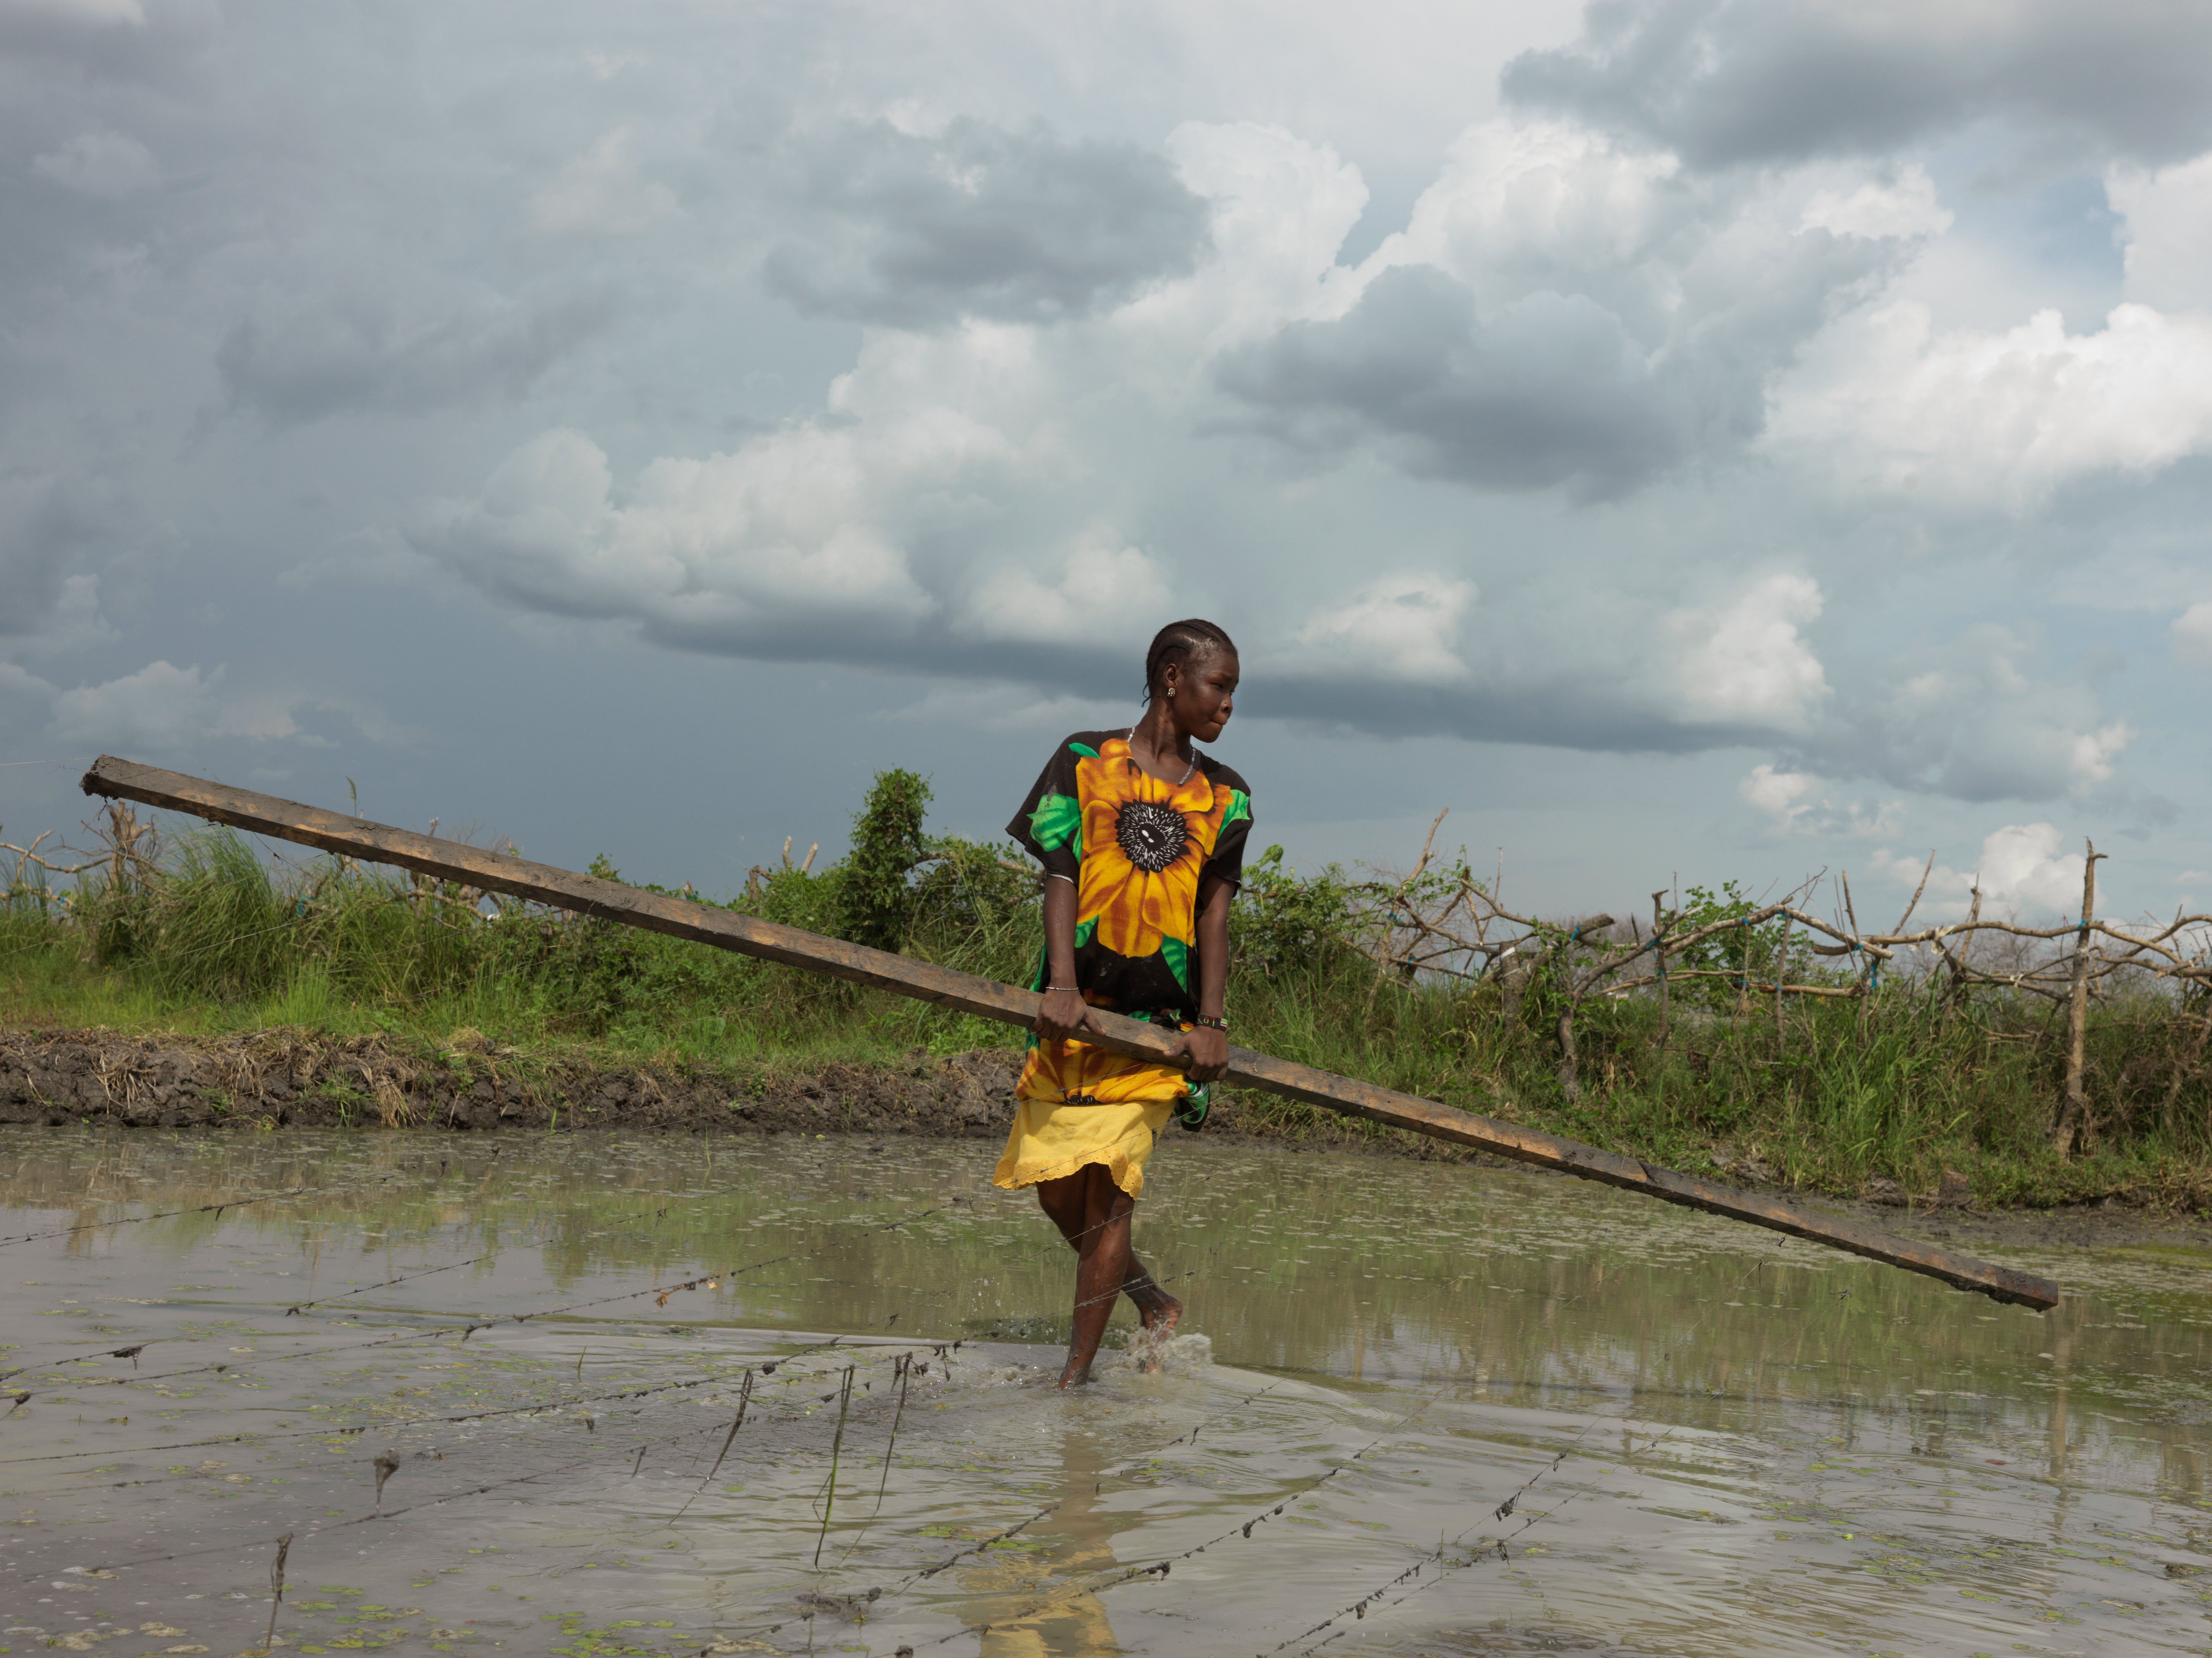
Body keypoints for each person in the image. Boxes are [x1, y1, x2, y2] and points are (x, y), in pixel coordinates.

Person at [994, 618, 1252, 1388]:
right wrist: (1062, 984)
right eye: (1221, 686)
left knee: (1110, 1192)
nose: (1229, 705)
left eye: (1234, 691)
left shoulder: (1226, 796)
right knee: (1056, 1190)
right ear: (1173, 677)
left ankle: (1072, 1382)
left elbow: (1214, 915)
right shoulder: (1083, 761)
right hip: (1074, 1018)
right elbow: (1062, 875)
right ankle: (1153, 1301)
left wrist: (1210, 1024)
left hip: (1157, 1035)